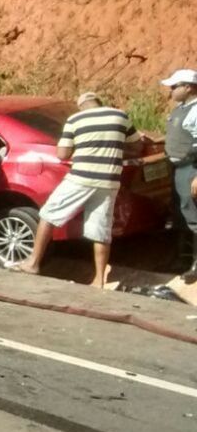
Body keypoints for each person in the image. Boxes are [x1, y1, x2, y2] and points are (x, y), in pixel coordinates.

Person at [17, 92, 141, 287]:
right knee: (101, 229)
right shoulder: (120, 116)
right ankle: (99, 279)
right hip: (109, 180)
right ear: (100, 104)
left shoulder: (75, 120)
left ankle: (33, 263)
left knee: (48, 215)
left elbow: (62, 153)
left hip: (81, 178)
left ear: (81, 106)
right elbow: (137, 146)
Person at [160, 69, 197, 282]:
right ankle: (181, 259)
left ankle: (194, 265)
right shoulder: (180, 109)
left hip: (190, 168)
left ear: (188, 87)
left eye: (175, 87)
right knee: (180, 214)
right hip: (176, 169)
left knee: (192, 216)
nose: (171, 91)